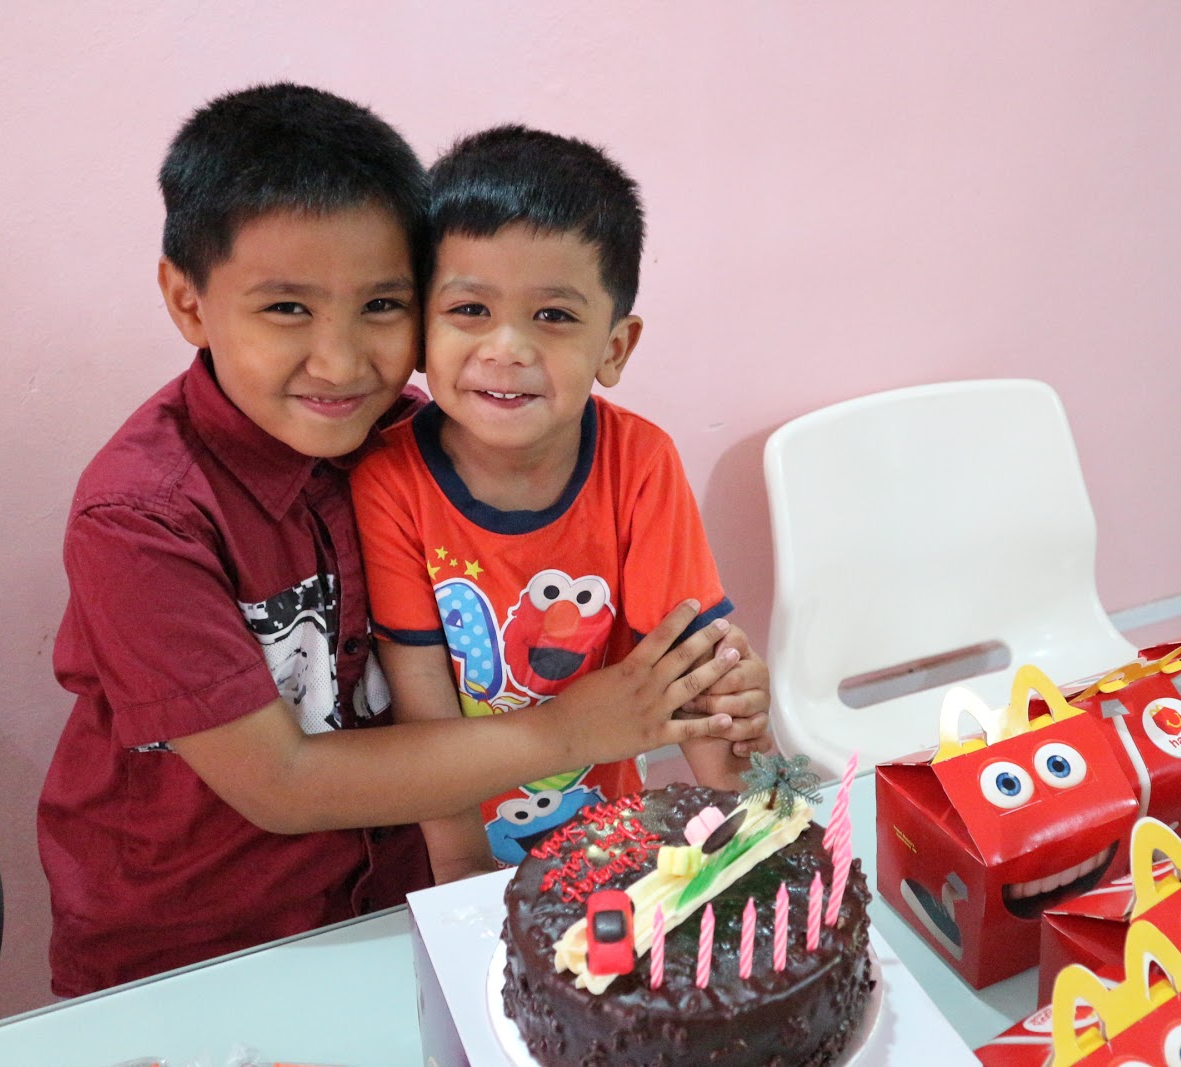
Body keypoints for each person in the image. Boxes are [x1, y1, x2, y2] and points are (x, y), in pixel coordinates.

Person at [37, 86, 767, 997]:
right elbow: (281, 782)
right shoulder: (141, 519)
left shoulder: (425, 437)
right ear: (189, 302)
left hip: (406, 899)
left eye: (381, 303)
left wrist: (717, 692)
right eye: (287, 308)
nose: (342, 361)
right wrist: (569, 729)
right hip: (201, 945)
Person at [350, 125, 773, 881]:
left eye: (553, 316)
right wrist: (464, 885)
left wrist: (764, 841)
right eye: (469, 309)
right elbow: (425, 717)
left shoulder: (639, 464)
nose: (506, 348)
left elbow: (699, 683)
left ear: (614, 348)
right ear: (419, 329)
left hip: (611, 844)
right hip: (462, 855)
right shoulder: (389, 482)